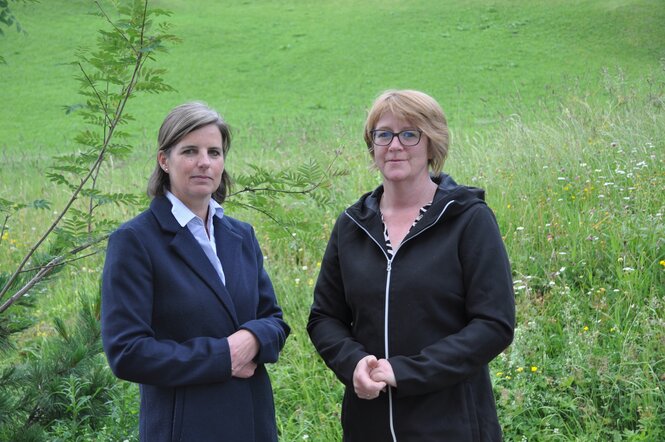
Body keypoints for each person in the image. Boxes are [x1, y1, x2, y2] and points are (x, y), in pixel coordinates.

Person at [307, 90, 515, 441]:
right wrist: (354, 363)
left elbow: (493, 323)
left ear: (432, 144)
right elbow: (325, 317)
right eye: (383, 134)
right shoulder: (351, 226)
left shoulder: (468, 219)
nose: (394, 145)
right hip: (367, 425)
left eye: (409, 133)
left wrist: (405, 372)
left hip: (451, 425)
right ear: (372, 146)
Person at [101, 102, 290, 442]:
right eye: (190, 151)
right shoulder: (135, 241)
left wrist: (252, 340)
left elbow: (274, 320)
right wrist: (223, 357)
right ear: (164, 160)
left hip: (253, 425)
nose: (205, 162)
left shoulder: (240, 235)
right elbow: (127, 352)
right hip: (186, 429)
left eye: (214, 152)